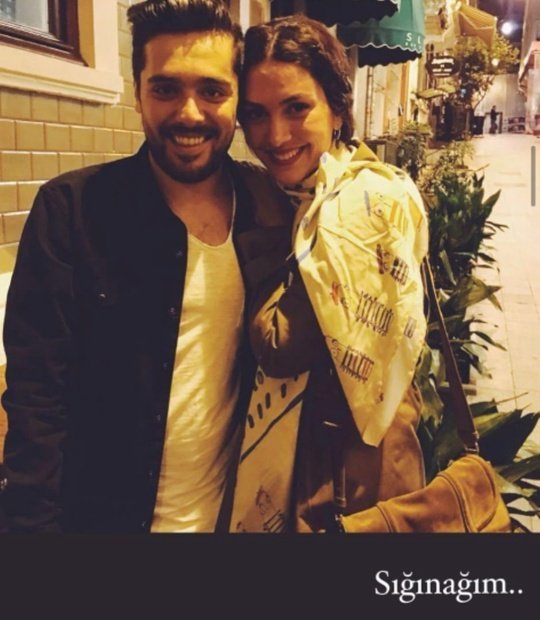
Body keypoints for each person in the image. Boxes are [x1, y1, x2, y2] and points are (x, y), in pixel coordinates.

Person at [0, 0, 289, 533]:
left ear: (236, 100)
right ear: (138, 93)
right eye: (165, 89)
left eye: (212, 91)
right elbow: (37, 406)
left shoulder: (268, 207)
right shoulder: (72, 212)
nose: (189, 113)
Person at [227, 15, 429, 533]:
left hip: (351, 481)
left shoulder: (360, 204)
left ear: (337, 107)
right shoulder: (311, 196)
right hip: (324, 464)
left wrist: (268, 228)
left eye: (297, 108)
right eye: (256, 114)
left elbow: (279, 344)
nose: (275, 135)